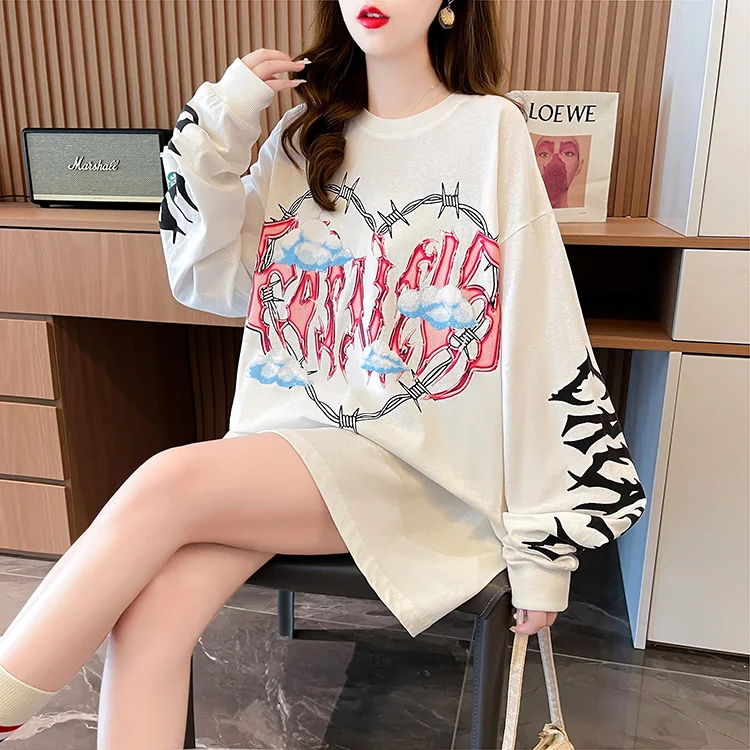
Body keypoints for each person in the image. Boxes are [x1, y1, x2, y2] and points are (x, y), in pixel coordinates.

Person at [0, 1, 647, 746]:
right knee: (151, 620)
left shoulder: (489, 130)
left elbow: (538, 328)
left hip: (417, 465)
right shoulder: (303, 135)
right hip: (289, 448)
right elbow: (211, 274)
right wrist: (225, 118)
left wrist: (544, 552)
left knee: (165, 481)